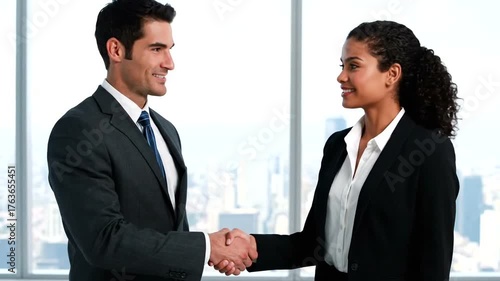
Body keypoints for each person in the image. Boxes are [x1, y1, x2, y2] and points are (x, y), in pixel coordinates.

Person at [215, 20, 460, 280]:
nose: (341, 76)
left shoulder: (429, 150)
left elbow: (434, 261)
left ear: (392, 74)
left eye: (353, 66)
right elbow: (313, 244)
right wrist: (252, 247)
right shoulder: (337, 146)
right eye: (342, 66)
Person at [47, 1, 256, 280]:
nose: (169, 63)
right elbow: (104, 240)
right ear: (116, 50)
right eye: (157, 49)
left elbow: (170, 230)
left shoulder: (165, 130)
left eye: (170, 50)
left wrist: (214, 249)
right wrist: (207, 248)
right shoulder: (78, 129)